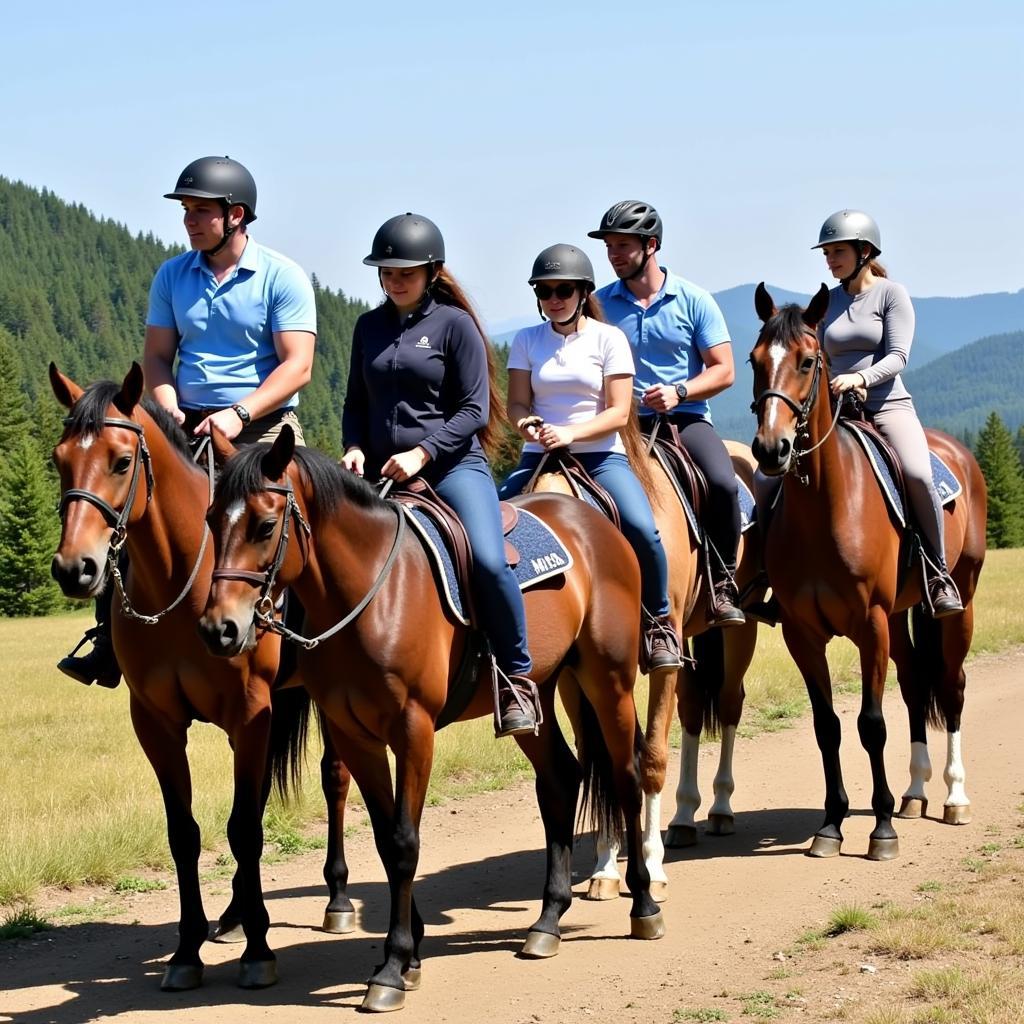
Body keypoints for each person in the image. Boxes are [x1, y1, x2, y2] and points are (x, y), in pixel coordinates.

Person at [58, 155, 318, 687]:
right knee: (130, 520)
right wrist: (167, 399)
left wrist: (240, 411)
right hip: (187, 425)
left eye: (201, 211)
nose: (190, 220)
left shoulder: (281, 276)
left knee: (295, 532)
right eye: (186, 210)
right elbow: (157, 357)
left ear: (236, 215)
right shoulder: (172, 275)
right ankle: (108, 642)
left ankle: (314, 651)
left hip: (263, 430)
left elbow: (298, 366)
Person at [341, 213, 537, 737]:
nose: (393, 279)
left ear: (432, 271)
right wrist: (355, 447)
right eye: (385, 270)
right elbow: (355, 404)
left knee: (491, 561)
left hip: (453, 467)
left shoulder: (455, 326)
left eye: (404, 270)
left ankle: (516, 676)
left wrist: (423, 453)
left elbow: (474, 410)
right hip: (381, 471)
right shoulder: (368, 327)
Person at [499, 244, 681, 670]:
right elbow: (517, 406)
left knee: (643, 528)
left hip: (600, 455)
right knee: (488, 524)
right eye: (544, 291)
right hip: (539, 456)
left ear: (583, 292)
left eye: (563, 289)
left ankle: (659, 624)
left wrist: (569, 433)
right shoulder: (527, 340)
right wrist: (530, 428)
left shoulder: (609, 339)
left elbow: (619, 412)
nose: (553, 298)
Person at [590, 200, 745, 626]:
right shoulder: (598, 304)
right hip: (620, 425)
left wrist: (680, 391)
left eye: (623, 245)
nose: (613, 254)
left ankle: (723, 581)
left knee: (722, 484)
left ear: (651, 245)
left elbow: (724, 370)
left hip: (685, 419)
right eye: (609, 247)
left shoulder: (694, 300)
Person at [813, 209, 962, 616]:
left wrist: (859, 380)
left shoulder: (891, 293)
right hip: (837, 412)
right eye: (826, 253)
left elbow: (898, 356)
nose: (830, 260)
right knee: (775, 480)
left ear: (864, 251)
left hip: (886, 404)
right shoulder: (828, 302)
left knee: (916, 473)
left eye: (837, 251)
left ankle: (937, 572)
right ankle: (772, 580)